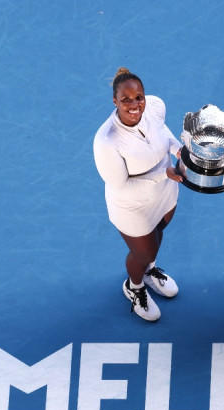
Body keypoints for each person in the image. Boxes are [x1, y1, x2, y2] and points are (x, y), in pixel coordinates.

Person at [93, 67, 184, 322]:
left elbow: (163, 131)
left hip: (164, 191)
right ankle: (134, 286)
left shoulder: (154, 107)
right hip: (132, 205)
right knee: (142, 252)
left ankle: (149, 271)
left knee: (159, 232)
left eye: (139, 98)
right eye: (126, 100)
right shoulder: (106, 141)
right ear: (115, 101)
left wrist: (179, 151)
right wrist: (163, 174)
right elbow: (121, 185)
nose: (135, 105)